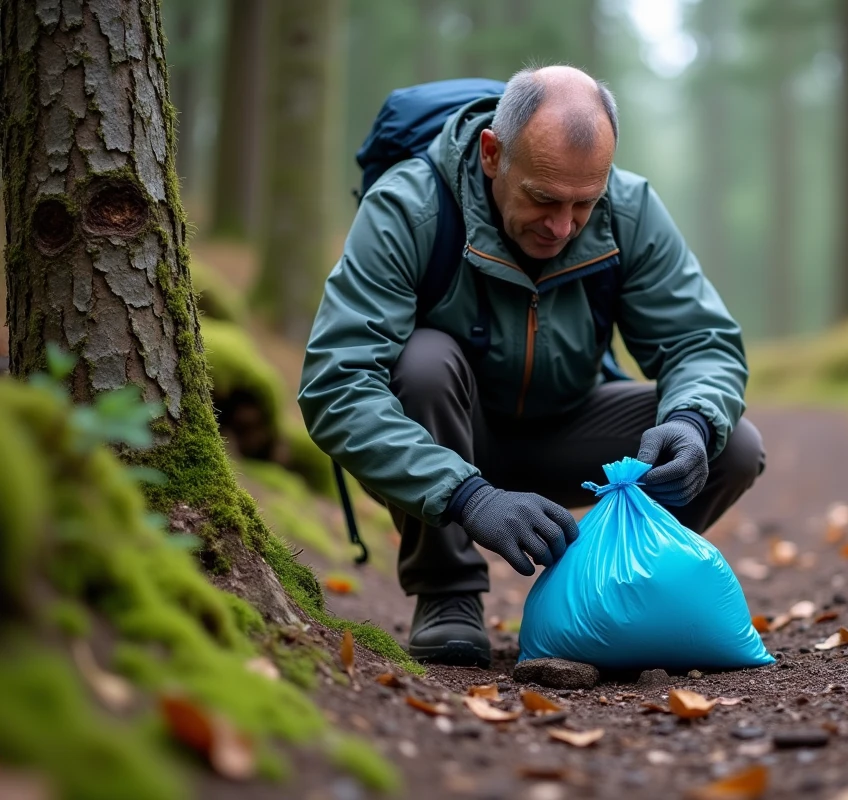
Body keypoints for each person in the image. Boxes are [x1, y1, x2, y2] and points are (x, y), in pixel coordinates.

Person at [299, 66, 765, 668]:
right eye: (543, 198)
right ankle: (448, 595)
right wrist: (468, 497)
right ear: (493, 154)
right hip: (450, 434)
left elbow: (700, 339)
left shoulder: (628, 210)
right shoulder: (410, 208)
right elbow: (336, 385)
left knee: (730, 443)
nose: (563, 226)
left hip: (570, 429)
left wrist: (693, 420)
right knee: (422, 362)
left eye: (583, 203)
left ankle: (612, 588)